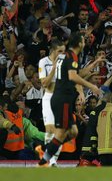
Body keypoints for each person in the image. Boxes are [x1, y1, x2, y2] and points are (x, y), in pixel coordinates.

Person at [38, 32, 101, 167]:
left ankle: (49, 148)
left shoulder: (65, 57)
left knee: (73, 132)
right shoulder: (71, 56)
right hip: (62, 99)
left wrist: (94, 63)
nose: (85, 43)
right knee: (61, 133)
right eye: (83, 41)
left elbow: (77, 74)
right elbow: (73, 77)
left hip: (63, 99)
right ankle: (45, 158)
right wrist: (91, 86)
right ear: (79, 43)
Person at [35, 39, 65, 166]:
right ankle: (51, 161)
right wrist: (54, 67)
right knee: (50, 130)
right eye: (60, 51)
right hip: (49, 98)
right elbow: (44, 84)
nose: (62, 54)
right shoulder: (43, 62)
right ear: (53, 50)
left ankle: (53, 160)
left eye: (64, 51)